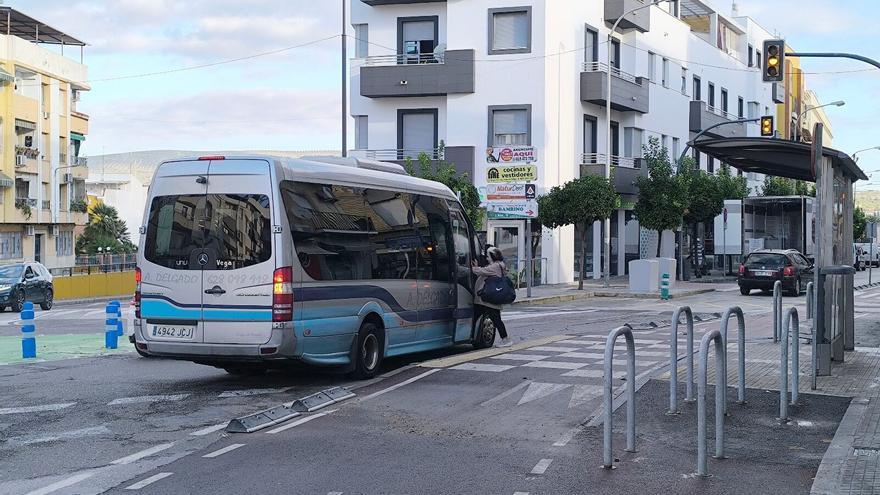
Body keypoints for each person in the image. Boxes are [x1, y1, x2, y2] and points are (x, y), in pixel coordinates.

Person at [472, 246, 511, 347]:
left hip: (488, 300)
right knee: (487, 317)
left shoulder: (495, 266)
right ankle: (473, 334)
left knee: (496, 319)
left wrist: (474, 267)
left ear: (493, 257)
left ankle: (505, 339)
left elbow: (480, 271)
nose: (486, 258)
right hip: (489, 300)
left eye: (488, 256)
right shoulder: (499, 265)